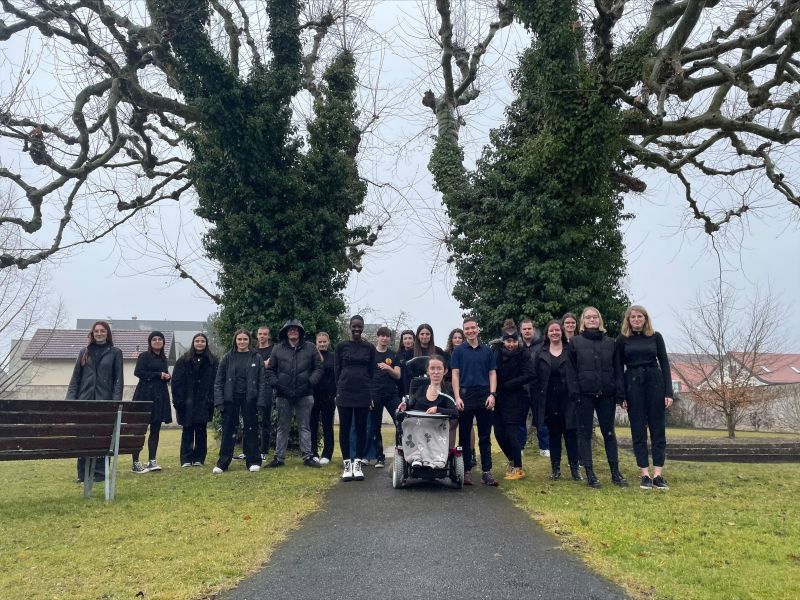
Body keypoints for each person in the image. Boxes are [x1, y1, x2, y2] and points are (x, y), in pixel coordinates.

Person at [567, 307, 627, 488]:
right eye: (588, 317)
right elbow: (570, 371)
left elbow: (617, 370)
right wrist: (574, 392)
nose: (592, 319)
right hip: (584, 395)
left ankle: (615, 472)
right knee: (584, 433)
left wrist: (619, 392)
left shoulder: (611, 342)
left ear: (600, 320)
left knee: (609, 433)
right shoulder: (575, 342)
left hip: (606, 393)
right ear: (583, 321)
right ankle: (590, 472)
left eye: (595, 317)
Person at [616, 305, 674, 490]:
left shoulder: (656, 337)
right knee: (638, 430)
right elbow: (618, 369)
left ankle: (658, 474)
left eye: (639, 316)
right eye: (632, 317)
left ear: (645, 318)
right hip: (633, 385)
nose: (636, 320)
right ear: (628, 320)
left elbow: (665, 364)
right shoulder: (622, 340)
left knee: (658, 430)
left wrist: (668, 392)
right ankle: (645, 474)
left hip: (655, 383)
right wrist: (621, 395)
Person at [66, 320, 124, 483]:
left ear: (107, 333)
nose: (99, 333)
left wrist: (115, 402)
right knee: (83, 438)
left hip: (105, 402)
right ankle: (83, 474)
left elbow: (118, 381)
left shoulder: (115, 353)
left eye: (103, 331)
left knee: (102, 438)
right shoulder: (84, 352)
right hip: (84, 402)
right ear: (92, 333)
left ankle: (99, 473)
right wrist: (70, 401)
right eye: (96, 331)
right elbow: (75, 379)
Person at [264, 320, 324, 469]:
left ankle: (308, 456)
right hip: (283, 394)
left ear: (300, 332)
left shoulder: (310, 347)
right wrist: (276, 384)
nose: (293, 331)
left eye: (295, 329)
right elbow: (270, 370)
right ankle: (279, 458)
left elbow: (319, 368)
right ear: (285, 332)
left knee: (305, 426)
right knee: (282, 427)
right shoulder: (277, 349)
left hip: (305, 393)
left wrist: (310, 382)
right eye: (290, 330)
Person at [451, 316, 499, 487]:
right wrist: (457, 397)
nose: (470, 331)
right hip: (465, 395)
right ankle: (466, 470)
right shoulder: (458, 351)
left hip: (484, 395)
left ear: (478, 329)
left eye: (473, 328)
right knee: (464, 436)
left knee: (485, 435)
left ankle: (487, 472)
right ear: (464, 331)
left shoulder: (487, 351)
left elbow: (492, 373)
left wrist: (492, 394)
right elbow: (455, 374)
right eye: (467, 329)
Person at [532, 321, 581, 481]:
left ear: (562, 332)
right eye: (551, 331)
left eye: (557, 330)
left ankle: (575, 469)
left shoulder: (571, 350)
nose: (554, 333)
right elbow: (536, 378)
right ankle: (556, 469)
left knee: (571, 435)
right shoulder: (541, 352)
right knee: (554, 435)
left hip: (569, 399)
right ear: (547, 334)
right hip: (549, 400)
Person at [212, 329, 267, 473]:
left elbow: (262, 382)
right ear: (235, 341)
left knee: (251, 430)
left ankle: (253, 461)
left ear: (249, 340)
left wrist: (260, 401)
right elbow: (218, 381)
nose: (242, 342)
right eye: (239, 339)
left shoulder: (256, 357)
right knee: (228, 431)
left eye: (245, 339)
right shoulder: (227, 358)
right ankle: (222, 463)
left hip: (250, 399)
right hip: (230, 399)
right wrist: (219, 401)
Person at [335, 315, 376, 482]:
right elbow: (337, 370)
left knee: (361, 429)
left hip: (362, 392)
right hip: (345, 391)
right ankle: (347, 464)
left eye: (359, 326)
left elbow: (371, 371)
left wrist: (368, 390)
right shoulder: (341, 346)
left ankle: (357, 463)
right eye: (354, 326)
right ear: (350, 327)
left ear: (363, 327)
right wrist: (338, 390)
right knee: (344, 428)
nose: (357, 329)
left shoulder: (369, 348)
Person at [171, 333, 218, 467]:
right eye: (197, 341)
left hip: (204, 402)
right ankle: (186, 459)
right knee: (187, 430)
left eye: (202, 341)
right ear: (193, 343)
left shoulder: (212, 361)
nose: (199, 343)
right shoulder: (183, 360)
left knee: (201, 431)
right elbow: (176, 382)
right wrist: (178, 400)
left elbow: (216, 381)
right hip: (187, 402)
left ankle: (199, 458)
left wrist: (212, 399)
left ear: (206, 343)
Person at [494, 330, 534, 480]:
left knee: (512, 433)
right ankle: (512, 459)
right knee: (498, 433)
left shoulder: (523, 354)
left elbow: (530, 374)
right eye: (508, 341)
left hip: (516, 398)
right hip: (498, 398)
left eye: (514, 341)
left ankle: (518, 467)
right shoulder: (497, 353)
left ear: (518, 341)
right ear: (503, 341)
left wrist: (510, 384)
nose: (511, 344)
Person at [131, 331, 173, 473]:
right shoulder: (144, 356)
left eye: (159, 339)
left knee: (155, 429)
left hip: (160, 395)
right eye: (154, 339)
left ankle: (152, 461)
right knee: (140, 429)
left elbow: (163, 375)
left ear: (163, 342)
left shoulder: (163, 358)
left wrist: (167, 376)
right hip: (144, 395)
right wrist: (158, 375)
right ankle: (135, 462)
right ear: (150, 342)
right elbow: (138, 372)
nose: (157, 341)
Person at [397, 354, 459, 448]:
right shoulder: (421, 389)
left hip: (437, 432)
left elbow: (455, 412)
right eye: (432, 369)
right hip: (419, 431)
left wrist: (437, 409)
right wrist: (405, 406)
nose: (436, 372)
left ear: (445, 371)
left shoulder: (447, 391)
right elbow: (413, 406)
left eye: (439, 369)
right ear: (428, 371)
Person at [370, 326, 401, 469]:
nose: (384, 338)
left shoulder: (394, 355)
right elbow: (365, 376)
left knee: (400, 422)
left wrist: (388, 368)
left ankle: (399, 455)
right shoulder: (371, 354)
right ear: (377, 337)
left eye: (387, 336)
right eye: (382, 335)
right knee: (375, 427)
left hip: (391, 394)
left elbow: (398, 375)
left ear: (390, 338)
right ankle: (379, 458)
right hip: (375, 394)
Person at [519, 318, 549, 458]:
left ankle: (544, 447)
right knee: (520, 420)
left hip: (538, 389)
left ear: (533, 329)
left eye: (529, 328)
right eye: (524, 329)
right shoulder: (517, 346)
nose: (527, 331)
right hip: (522, 390)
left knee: (541, 419)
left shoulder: (542, 345)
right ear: (521, 331)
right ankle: (520, 447)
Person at [310, 332, 336, 464]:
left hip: (329, 396)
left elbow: (338, 377)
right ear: (316, 343)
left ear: (328, 342)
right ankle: (313, 452)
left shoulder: (333, 357)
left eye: (324, 342)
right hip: (313, 396)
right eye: (319, 342)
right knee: (312, 425)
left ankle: (327, 454)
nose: (322, 344)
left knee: (327, 426)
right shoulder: (312, 357)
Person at [255, 326, 274, 461]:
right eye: (260, 334)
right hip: (252, 388)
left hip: (267, 388)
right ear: (257, 336)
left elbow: (271, 365)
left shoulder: (274, 350)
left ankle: (264, 450)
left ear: (268, 336)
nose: (262, 336)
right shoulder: (252, 351)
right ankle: (250, 449)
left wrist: (258, 364)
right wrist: (263, 363)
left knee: (265, 421)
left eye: (265, 334)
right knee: (251, 420)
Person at [395, 329, 416, 397]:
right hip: (401, 390)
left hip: (415, 389)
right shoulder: (397, 355)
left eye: (410, 338)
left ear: (414, 340)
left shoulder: (417, 354)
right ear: (402, 341)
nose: (408, 341)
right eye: (405, 338)